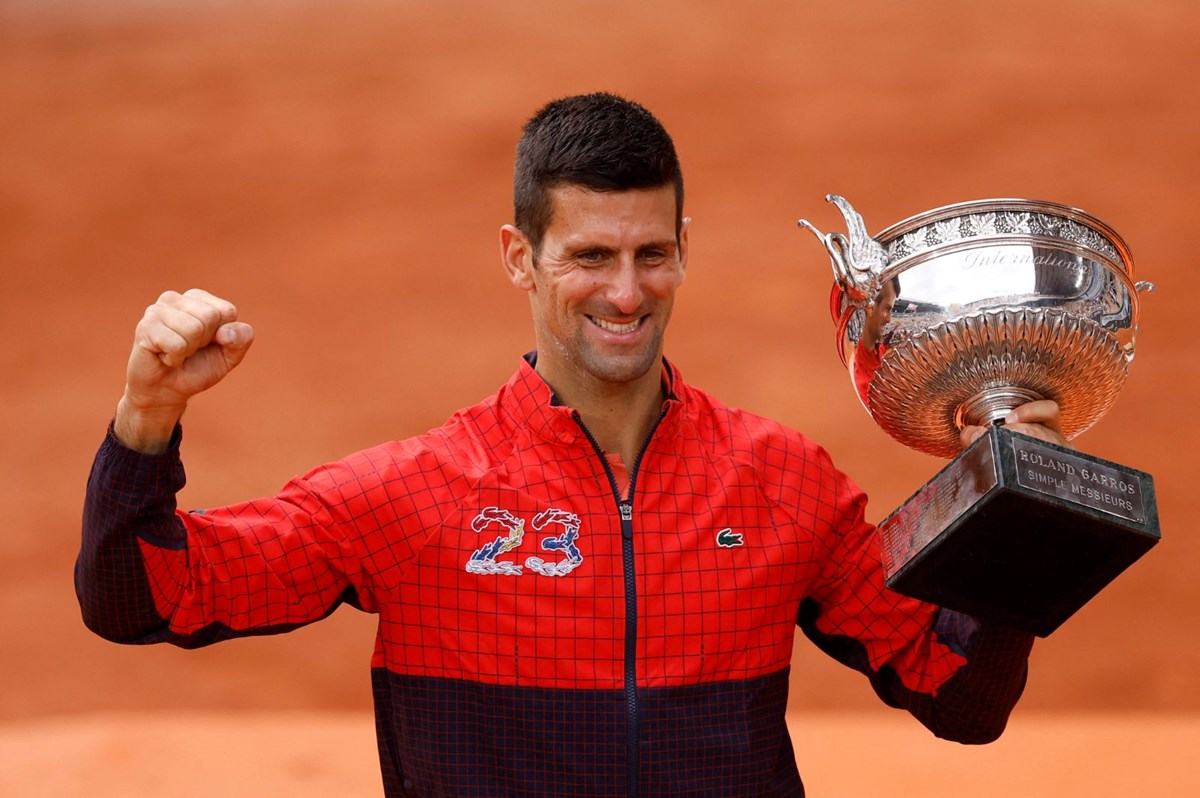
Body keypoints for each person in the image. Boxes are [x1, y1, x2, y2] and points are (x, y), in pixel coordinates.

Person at [77, 93, 1068, 797]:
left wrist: (1016, 497)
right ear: (521, 256)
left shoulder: (779, 482)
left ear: (684, 249)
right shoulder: (415, 495)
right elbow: (144, 596)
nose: (626, 294)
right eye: (591, 256)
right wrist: (145, 418)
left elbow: (960, 694)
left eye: (651, 254)